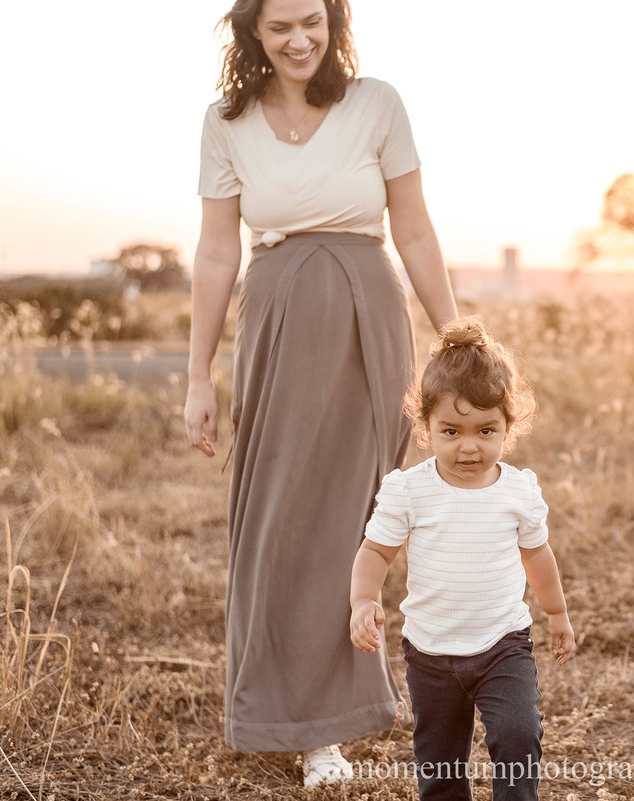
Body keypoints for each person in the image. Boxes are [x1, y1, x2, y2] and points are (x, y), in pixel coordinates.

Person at [183, 0, 458, 787]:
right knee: (279, 515)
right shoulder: (224, 122)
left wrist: (456, 335)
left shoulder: (378, 104)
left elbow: (413, 229)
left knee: (353, 517)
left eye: (313, 21)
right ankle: (285, 711)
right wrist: (198, 374)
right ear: (253, 34)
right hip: (277, 317)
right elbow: (213, 252)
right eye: (280, 27)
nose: (300, 39)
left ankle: (330, 723)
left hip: (371, 314)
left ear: (334, 23)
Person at [350, 318, 575, 801]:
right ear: (426, 427)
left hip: (502, 644)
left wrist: (556, 613)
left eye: (485, 430)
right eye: (451, 431)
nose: (469, 446)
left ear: (508, 427)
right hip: (430, 653)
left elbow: (537, 555)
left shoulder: (517, 490)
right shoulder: (410, 490)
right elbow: (375, 550)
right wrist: (363, 600)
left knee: (518, 734)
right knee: (440, 762)